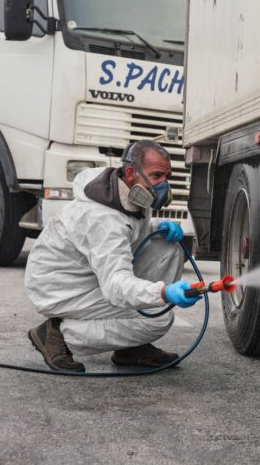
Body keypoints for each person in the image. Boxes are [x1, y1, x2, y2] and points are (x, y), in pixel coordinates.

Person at [24, 140, 200, 372]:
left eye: (166, 176)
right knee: (157, 318)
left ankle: (130, 348)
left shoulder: (128, 193)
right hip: (60, 287)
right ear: (130, 173)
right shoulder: (102, 218)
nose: (163, 185)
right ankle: (57, 335)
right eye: (157, 175)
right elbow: (115, 284)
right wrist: (163, 293)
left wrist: (157, 225)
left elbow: (128, 231)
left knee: (167, 247)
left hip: (88, 274)